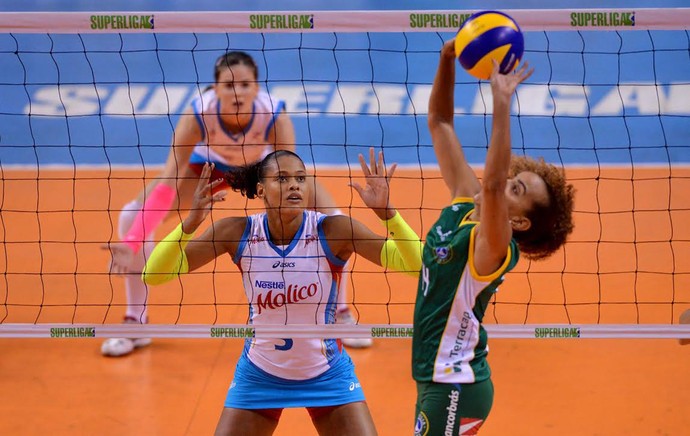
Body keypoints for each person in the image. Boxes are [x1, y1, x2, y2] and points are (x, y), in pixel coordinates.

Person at [102, 51, 369, 357]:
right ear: (215, 90)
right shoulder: (198, 114)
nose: (237, 92)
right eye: (229, 85)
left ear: (257, 88)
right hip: (208, 171)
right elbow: (169, 177)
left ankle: (340, 314)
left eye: (245, 84)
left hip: (263, 171)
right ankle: (136, 321)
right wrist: (133, 241)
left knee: (334, 221)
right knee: (132, 214)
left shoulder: (274, 115)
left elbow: (289, 170)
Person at [140, 149, 422, 435]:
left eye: (300, 178)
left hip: (327, 375)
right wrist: (189, 224)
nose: (295, 185)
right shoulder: (237, 232)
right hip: (260, 374)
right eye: (283, 178)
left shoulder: (334, 230)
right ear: (261, 190)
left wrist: (388, 215)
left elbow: (418, 267)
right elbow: (154, 274)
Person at [412, 40, 575, 435]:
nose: (505, 186)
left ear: (518, 223)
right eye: (515, 180)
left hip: (456, 385)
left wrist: (502, 103)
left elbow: (493, 184)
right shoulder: (466, 202)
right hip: (439, 378)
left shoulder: (495, 249)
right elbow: (440, 122)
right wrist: (447, 59)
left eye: (516, 192)